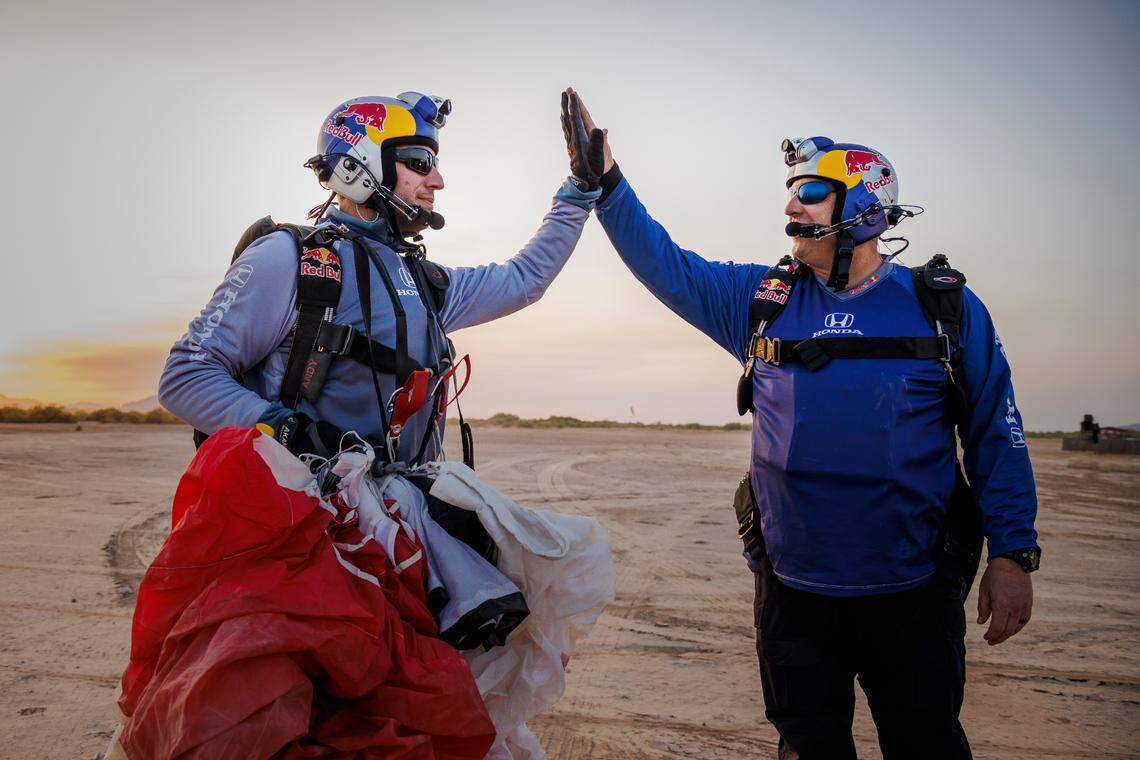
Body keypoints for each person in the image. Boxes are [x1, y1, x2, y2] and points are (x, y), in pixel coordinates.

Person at [561, 89, 1041, 758]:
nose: (791, 206)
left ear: (865, 207)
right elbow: (665, 264)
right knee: (808, 746)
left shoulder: (947, 311)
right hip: (792, 592)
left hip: (912, 593)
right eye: (791, 192)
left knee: (926, 743)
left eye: (812, 191)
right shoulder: (760, 301)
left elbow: (996, 433)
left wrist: (1014, 554)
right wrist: (606, 184)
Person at [160, 92, 602, 463]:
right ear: (360, 166)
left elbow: (524, 279)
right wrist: (288, 432)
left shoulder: (423, 282)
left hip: (402, 513)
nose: (438, 180)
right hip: (305, 524)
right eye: (419, 161)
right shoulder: (287, 258)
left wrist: (580, 190)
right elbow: (186, 375)